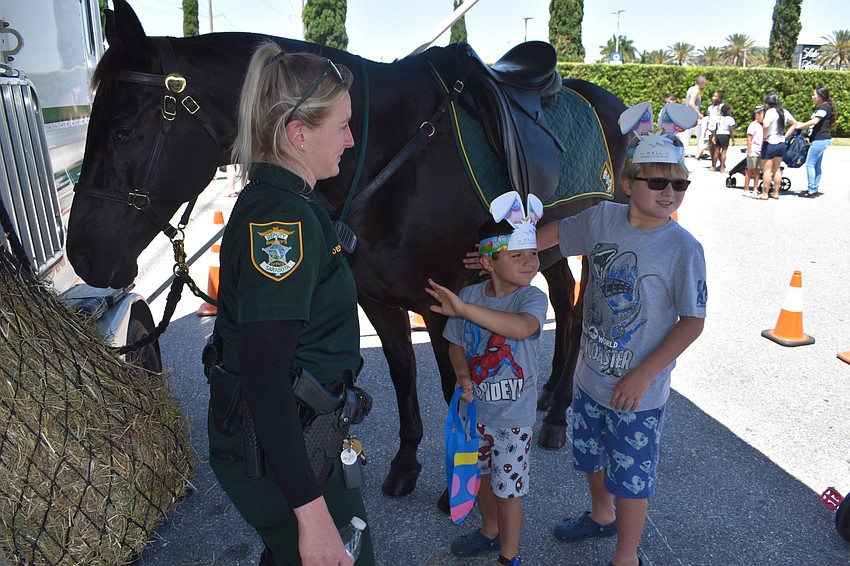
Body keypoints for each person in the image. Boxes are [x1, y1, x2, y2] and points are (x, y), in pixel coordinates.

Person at [208, 43, 375, 566]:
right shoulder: (283, 221)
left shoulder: (293, 202)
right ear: (298, 134)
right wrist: (313, 516)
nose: (351, 139)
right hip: (286, 450)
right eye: (342, 126)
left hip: (300, 438)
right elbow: (263, 377)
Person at [540, 104, 707, 566]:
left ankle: (626, 556)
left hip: (639, 393)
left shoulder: (683, 249)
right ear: (628, 184)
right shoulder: (602, 218)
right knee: (589, 454)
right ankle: (600, 515)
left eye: (679, 184)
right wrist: (498, 249)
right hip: (590, 376)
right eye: (657, 182)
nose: (669, 192)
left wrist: (644, 375)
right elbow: (551, 235)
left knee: (631, 476)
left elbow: (693, 320)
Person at [427, 194, 549, 566]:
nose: (530, 262)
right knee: (478, 477)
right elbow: (455, 345)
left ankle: (508, 557)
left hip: (513, 420)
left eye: (532, 253)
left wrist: (464, 309)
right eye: (517, 256)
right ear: (488, 262)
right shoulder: (469, 295)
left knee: (508, 491)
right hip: (475, 412)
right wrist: (462, 375)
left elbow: (522, 328)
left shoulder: (530, 298)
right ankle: (489, 530)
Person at [793, 86, 836, 198]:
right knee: (816, 164)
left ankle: (811, 190)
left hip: (820, 139)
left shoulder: (824, 108)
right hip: (823, 140)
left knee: (810, 164)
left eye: (814, 95)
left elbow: (815, 121)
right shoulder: (825, 107)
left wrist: (800, 126)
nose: (812, 97)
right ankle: (814, 188)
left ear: (821, 96)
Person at [759, 93, 796, 200]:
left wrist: (764, 136)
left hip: (770, 142)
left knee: (767, 170)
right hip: (781, 142)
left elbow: (766, 125)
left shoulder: (770, 112)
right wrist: (785, 136)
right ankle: (776, 192)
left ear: (767, 103)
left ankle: (765, 193)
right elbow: (794, 123)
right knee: (777, 169)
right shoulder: (784, 111)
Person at [677, 76, 706, 157]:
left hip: (687, 114)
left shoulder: (691, 88)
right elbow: (691, 102)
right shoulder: (696, 90)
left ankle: (685, 151)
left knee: (686, 134)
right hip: (692, 115)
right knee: (699, 134)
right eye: (705, 83)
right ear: (701, 82)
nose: (705, 85)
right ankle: (700, 152)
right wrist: (698, 113)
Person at [743, 106, 765, 197]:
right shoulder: (753, 125)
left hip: (761, 151)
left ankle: (755, 188)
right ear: (757, 115)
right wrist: (750, 151)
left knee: (757, 171)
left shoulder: (764, 126)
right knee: (750, 170)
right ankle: (746, 189)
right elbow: (749, 139)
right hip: (754, 150)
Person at [711, 103, 735, 173]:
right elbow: (731, 130)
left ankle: (714, 167)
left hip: (718, 134)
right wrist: (733, 139)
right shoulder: (730, 119)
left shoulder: (718, 118)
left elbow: (715, 128)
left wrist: (714, 136)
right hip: (725, 135)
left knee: (716, 151)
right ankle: (722, 168)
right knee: (724, 152)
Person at [702, 91, 724, 164]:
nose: (713, 98)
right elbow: (709, 118)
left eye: (715, 96)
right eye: (713, 96)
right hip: (710, 128)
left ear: (719, 98)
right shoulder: (710, 108)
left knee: (717, 148)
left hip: (718, 129)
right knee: (711, 148)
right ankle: (713, 163)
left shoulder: (721, 107)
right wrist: (706, 129)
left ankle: (721, 163)